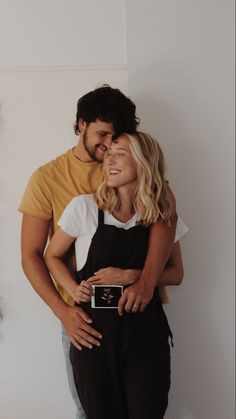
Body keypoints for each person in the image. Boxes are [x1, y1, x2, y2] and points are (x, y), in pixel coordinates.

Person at [19, 85, 182, 419]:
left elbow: (170, 238)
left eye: (117, 141)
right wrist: (63, 310)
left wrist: (140, 279)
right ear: (81, 124)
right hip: (84, 320)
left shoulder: (146, 181)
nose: (109, 149)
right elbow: (34, 255)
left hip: (142, 315)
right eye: (103, 135)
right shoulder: (49, 179)